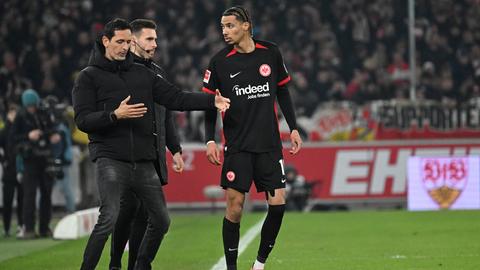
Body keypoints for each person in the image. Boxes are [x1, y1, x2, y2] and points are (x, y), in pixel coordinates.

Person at [72, 18, 229, 270]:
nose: (124, 47)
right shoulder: (89, 77)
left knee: (161, 221)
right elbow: (82, 120)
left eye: (127, 42)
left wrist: (211, 101)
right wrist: (114, 115)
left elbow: (176, 98)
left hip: (144, 162)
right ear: (105, 41)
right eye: (120, 41)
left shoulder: (143, 74)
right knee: (108, 218)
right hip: (111, 158)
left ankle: (140, 265)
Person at [203, 6, 302, 270]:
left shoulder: (270, 52)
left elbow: (283, 91)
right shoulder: (220, 61)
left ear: (246, 25)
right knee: (235, 208)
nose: (225, 31)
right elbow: (207, 102)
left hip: (269, 144)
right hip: (238, 146)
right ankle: (232, 267)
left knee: (278, 204)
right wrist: (209, 140)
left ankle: (259, 264)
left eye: (230, 26)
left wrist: (293, 127)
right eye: (223, 27)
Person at [109, 19, 185, 270]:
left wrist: (175, 149)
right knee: (129, 210)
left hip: (152, 155)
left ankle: (134, 265)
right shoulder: (119, 72)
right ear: (134, 41)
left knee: (142, 214)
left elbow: (167, 114)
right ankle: (116, 263)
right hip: (128, 155)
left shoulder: (158, 73)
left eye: (156, 38)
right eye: (150, 39)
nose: (155, 44)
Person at [12, 89, 61, 239]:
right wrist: (28, 135)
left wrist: (53, 135)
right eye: (29, 106)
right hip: (29, 160)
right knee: (29, 195)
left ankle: (44, 227)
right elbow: (13, 138)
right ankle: (29, 229)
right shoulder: (20, 116)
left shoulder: (44, 112)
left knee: (46, 193)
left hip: (45, 157)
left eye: (33, 105)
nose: (31, 108)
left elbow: (53, 128)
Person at [0, 104, 23, 237]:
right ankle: (7, 227)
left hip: (20, 170)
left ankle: (21, 225)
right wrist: (4, 161)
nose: (13, 115)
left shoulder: (20, 129)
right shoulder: (4, 131)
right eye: (11, 113)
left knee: (22, 200)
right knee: (8, 202)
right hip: (9, 171)